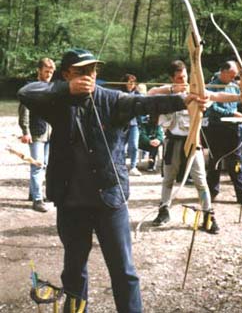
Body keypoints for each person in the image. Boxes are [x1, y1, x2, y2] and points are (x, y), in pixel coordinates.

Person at [17, 48, 209, 313]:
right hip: (71, 204)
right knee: (73, 272)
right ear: (66, 75)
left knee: (124, 271)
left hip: (110, 201)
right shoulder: (57, 102)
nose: (89, 76)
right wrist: (65, 89)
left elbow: (145, 103)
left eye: (93, 70)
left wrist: (185, 100)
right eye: (81, 72)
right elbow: (26, 93)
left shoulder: (112, 100)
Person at [147, 60, 242, 233]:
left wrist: (241, 96)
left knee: (201, 181)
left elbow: (217, 96)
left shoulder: (197, 89)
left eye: (185, 76)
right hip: (173, 140)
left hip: (194, 140)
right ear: (172, 78)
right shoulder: (167, 92)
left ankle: (208, 216)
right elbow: (150, 93)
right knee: (168, 179)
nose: (183, 80)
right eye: (179, 78)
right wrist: (174, 90)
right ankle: (164, 210)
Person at [205, 61, 242, 205]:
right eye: (231, 75)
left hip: (233, 130)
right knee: (215, 161)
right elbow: (212, 109)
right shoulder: (211, 87)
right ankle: (212, 192)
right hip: (216, 129)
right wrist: (233, 113)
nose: (233, 78)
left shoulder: (234, 87)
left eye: (235, 76)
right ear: (222, 71)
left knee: (236, 162)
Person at [18, 57, 56, 212]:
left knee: (45, 165)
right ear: (39, 71)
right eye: (46, 71)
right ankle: (37, 199)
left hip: (49, 133)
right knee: (37, 165)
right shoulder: (31, 88)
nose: (48, 74)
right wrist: (25, 131)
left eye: (51, 72)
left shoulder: (52, 88)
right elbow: (24, 111)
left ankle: (34, 192)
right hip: (35, 132)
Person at [120, 74, 142, 176]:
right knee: (121, 147)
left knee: (134, 145)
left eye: (133, 83)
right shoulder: (120, 93)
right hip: (122, 124)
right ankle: (121, 166)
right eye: (129, 82)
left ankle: (133, 167)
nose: (131, 84)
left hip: (134, 124)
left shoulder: (138, 94)